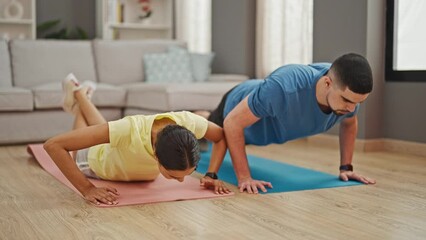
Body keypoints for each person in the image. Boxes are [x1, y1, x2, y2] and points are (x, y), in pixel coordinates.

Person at [44, 73, 231, 206]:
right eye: (174, 176)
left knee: (106, 130)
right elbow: (54, 145)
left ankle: (81, 94)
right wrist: (87, 189)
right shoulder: (130, 129)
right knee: (90, 134)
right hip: (94, 162)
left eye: (187, 174)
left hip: (120, 151)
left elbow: (220, 137)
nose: (181, 182)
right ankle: (79, 97)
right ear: (156, 155)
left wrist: (211, 174)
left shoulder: (189, 122)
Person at [203, 53, 377, 194]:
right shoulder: (283, 87)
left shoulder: (347, 99)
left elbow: (349, 123)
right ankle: (201, 116)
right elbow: (232, 123)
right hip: (236, 105)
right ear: (327, 83)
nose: (352, 108)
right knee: (209, 134)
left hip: (261, 123)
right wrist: (244, 178)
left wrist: (346, 167)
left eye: (358, 102)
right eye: (347, 100)